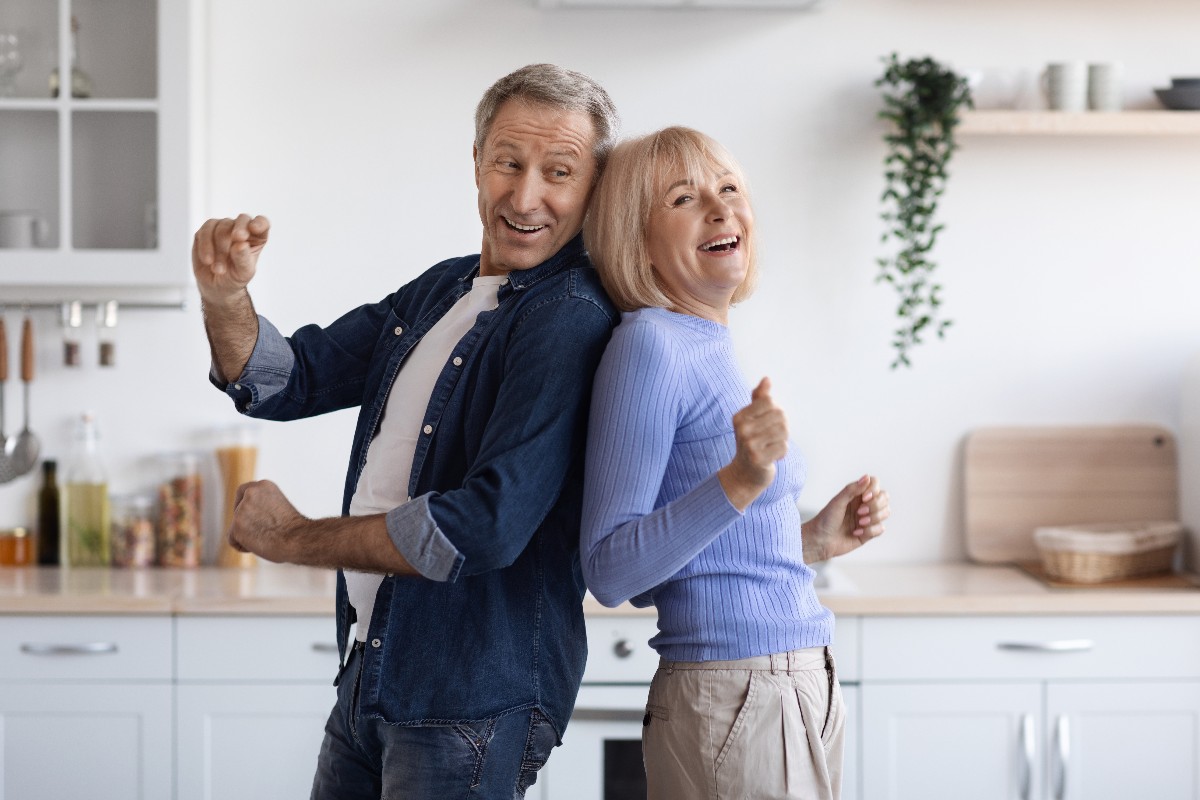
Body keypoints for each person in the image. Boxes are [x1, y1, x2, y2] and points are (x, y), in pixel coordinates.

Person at [191, 64, 622, 799]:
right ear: (477, 164)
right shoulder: (440, 290)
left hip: (468, 702)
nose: (526, 197)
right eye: (508, 163)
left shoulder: (566, 316)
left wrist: (293, 538)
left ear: (595, 188)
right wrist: (225, 294)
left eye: (559, 172)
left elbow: (484, 524)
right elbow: (284, 378)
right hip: (373, 671)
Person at [580, 126, 890, 800]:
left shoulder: (704, 341)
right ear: (636, 241)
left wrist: (808, 542)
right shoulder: (651, 346)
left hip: (778, 686)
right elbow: (611, 569)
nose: (720, 209)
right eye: (684, 199)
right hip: (742, 690)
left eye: (728, 190)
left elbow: (685, 564)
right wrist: (742, 480)